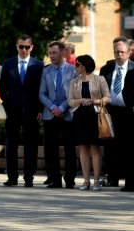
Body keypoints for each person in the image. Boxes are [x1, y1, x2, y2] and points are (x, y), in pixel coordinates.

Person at [0, 34, 43, 186]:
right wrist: (6, 108)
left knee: (31, 145)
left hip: (31, 111)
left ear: (32, 47)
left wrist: (40, 110)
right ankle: (12, 177)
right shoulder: (8, 63)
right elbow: (2, 89)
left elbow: (40, 89)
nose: (24, 50)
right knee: (11, 145)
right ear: (17, 47)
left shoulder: (38, 65)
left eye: (27, 47)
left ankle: (29, 178)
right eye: (21, 47)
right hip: (13, 111)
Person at [38, 41, 77, 188]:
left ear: (62, 53)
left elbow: (74, 93)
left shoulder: (73, 70)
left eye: (54, 53)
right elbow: (41, 94)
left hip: (67, 115)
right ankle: (55, 179)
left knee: (69, 148)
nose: (51, 56)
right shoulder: (46, 71)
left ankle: (70, 179)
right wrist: (54, 107)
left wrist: (62, 107)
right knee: (50, 149)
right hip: (50, 115)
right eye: (50, 53)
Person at [69, 55, 110, 191]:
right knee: (83, 148)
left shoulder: (99, 79)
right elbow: (70, 101)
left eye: (77, 64)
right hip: (80, 116)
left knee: (95, 148)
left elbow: (107, 98)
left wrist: (93, 101)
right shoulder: (74, 82)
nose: (75, 66)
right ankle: (86, 180)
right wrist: (81, 101)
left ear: (85, 66)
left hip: (94, 116)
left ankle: (97, 180)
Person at [98, 37, 133, 187]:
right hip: (111, 112)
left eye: (122, 52)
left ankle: (129, 180)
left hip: (129, 112)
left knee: (128, 146)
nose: (119, 54)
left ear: (129, 53)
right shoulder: (106, 68)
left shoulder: (133, 68)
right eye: (116, 52)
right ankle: (112, 178)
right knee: (111, 146)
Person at [119, 66, 134, 191]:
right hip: (131, 117)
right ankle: (130, 183)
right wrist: (132, 104)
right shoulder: (130, 73)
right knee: (130, 151)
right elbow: (125, 92)